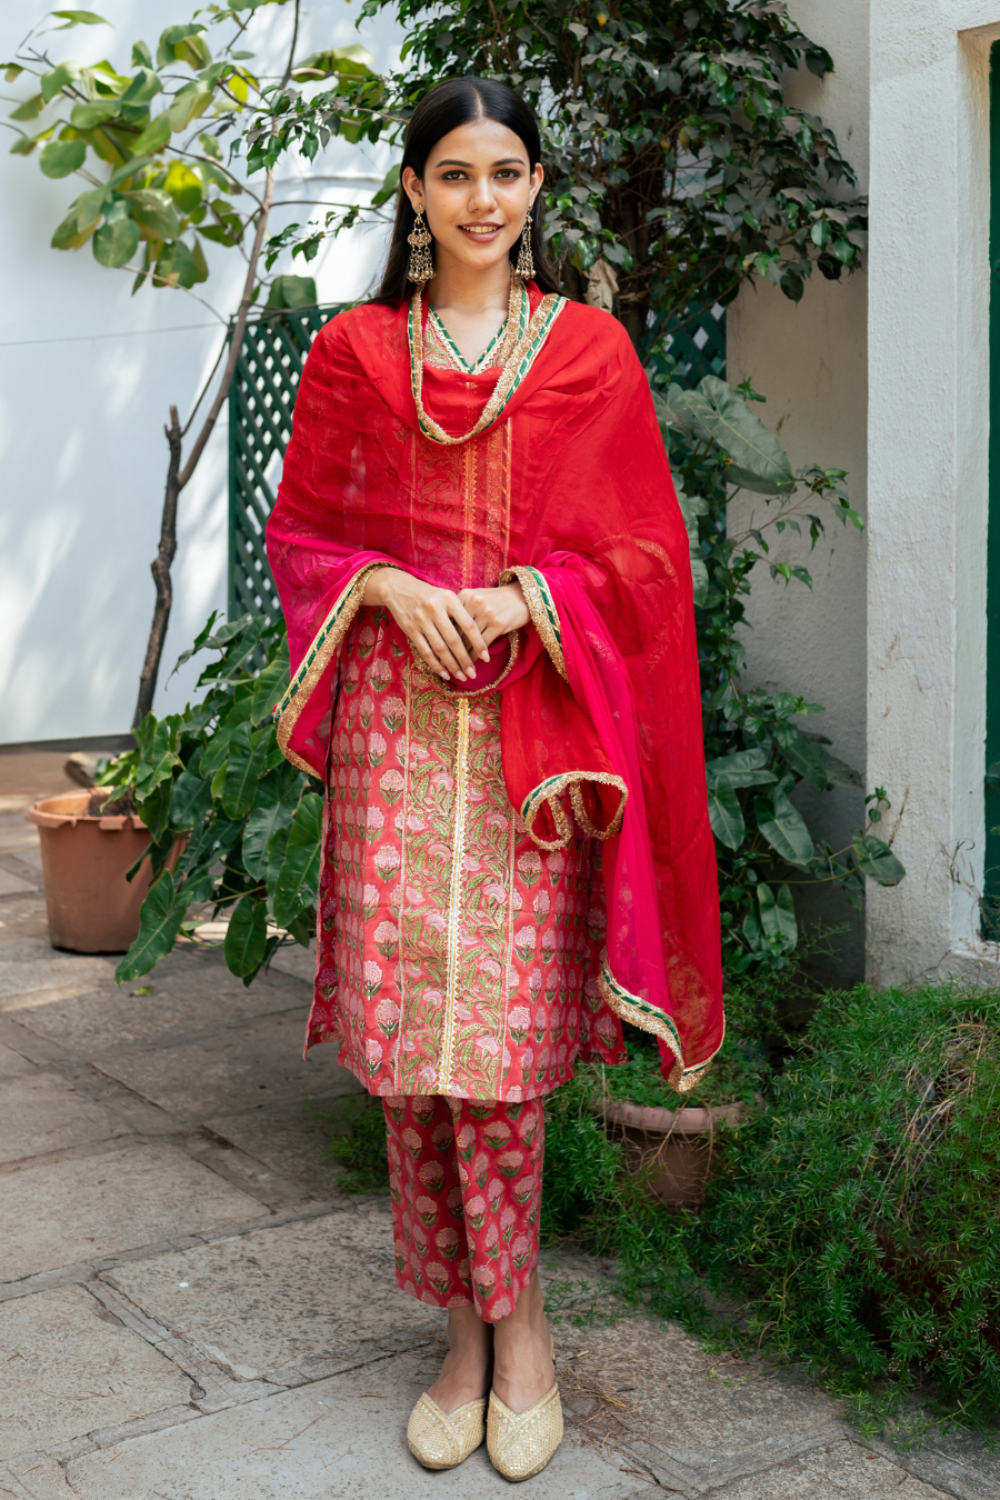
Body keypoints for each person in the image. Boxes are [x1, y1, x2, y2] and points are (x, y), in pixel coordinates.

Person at [266, 75, 723, 1482]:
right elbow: (303, 540)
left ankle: (519, 1330)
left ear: (538, 189)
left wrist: (532, 603)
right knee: (415, 1055)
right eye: (454, 174)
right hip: (398, 731)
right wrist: (395, 589)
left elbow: (645, 560)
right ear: (414, 191)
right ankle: (455, 1334)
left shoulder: (588, 353)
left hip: (531, 735)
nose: (483, 200)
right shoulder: (356, 355)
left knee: (508, 1053)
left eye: (507, 172)